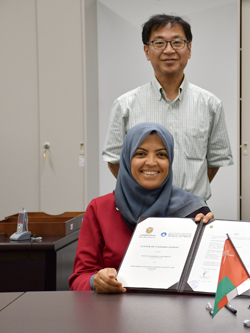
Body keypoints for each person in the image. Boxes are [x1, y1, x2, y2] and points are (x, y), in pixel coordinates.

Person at [102, 14, 233, 201]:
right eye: (159, 43)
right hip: (142, 210)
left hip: (193, 211)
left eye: (177, 42)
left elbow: (214, 162)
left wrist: (187, 197)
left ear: (189, 49)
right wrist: (141, 192)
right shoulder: (125, 105)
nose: (169, 50)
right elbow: (114, 160)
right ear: (147, 51)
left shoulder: (210, 104)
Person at [70, 123, 214, 293]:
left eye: (161, 154)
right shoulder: (100, 209)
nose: (151, 162)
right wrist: (96, 280)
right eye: (140, 154)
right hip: (114, 315)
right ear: (127, 159)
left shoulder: (193, 210)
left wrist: (211, 241)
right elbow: (79, 279)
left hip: (174, 315)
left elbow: (208, 278)